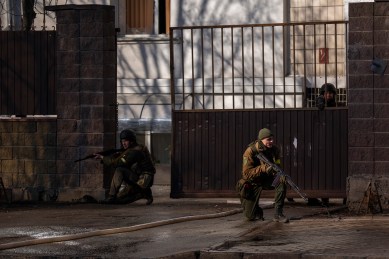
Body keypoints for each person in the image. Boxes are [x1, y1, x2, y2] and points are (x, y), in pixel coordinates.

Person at [236, 128, 289, 223]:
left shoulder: (275, 150)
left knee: (281, 180)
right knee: (250, 216)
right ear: (261, 139)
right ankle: (256, 210)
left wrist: (280, 173)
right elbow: (246, 173)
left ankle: (278, 214)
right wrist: (264, 168)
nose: (271, 141)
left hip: (266, 180)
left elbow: (278, 165)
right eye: (268, 139)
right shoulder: (250, 151)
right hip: (253, 182)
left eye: (272, 139)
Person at [95, 129, 156, 205]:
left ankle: (111, 197)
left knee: (119, 170)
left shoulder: (135, 151)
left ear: (132, 141)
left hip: (142, 180)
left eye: (126, 141)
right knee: (119, 198)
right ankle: (145, 193)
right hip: (138, 178)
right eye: (122, 141)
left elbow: (118, 163)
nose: (124, 143)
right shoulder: (134, 148)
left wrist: (103, 158)